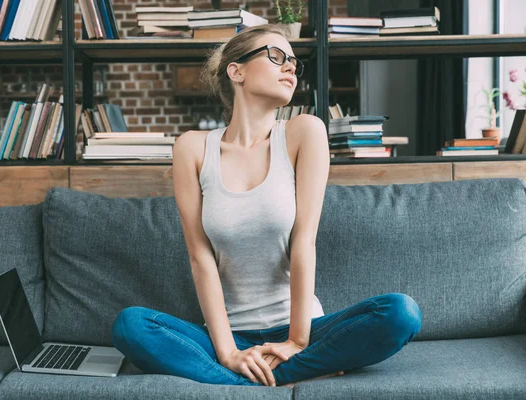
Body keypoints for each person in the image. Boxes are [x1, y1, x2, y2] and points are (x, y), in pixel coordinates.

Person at [112, 24, 422, 388]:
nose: (290, 66)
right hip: (226, 337)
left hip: (303, 330)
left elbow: (304, 242)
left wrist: (296, 341)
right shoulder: (193, 148)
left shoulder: (304, 132)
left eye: (293, 61)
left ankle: (241, 383)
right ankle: (266, 377)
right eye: (276, 56)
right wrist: (227, 351)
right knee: (130, 325)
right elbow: (200, 258)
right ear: (236, 71)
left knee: (400, 313)